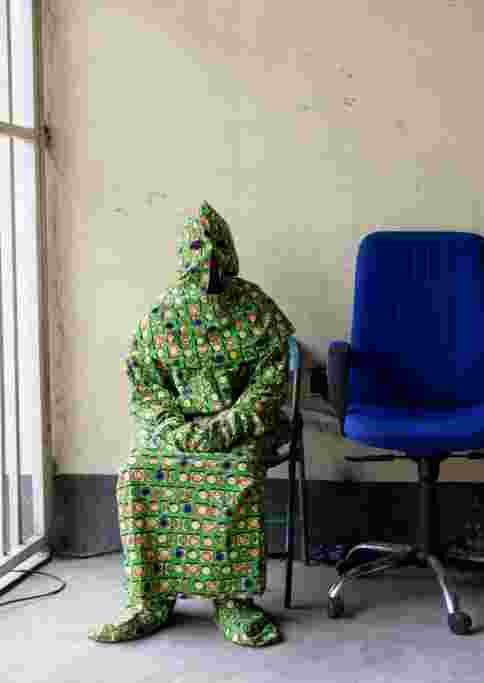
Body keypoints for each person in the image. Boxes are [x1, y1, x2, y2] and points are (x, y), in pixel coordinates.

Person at [89, 202, 295, 647]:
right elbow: (143, 382)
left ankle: (234, 600)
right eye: (199, 247)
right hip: (175, 428)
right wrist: (175, 428)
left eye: (218, 245)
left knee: (236, 478)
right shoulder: (162, 314)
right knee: (138, 476)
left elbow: (272, 380)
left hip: (241, 426)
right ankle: (151, 599)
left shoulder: (257, 309)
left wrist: (227, 425)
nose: (210, 260)